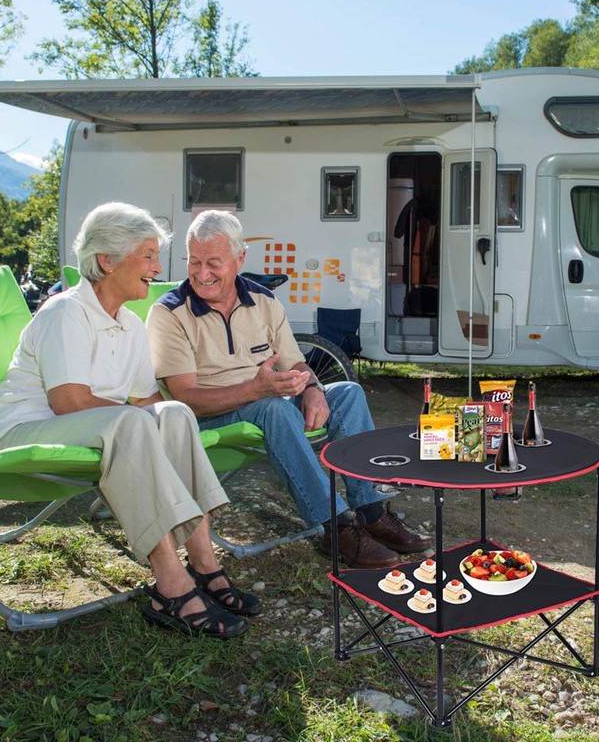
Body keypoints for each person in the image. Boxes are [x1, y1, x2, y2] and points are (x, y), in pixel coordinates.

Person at [0, 202, 259, 640]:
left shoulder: (130, 325)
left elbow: (147, 401)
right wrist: (137, 421)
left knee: (174, 413)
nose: (157, 268)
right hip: (16, 433)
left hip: (81, 432)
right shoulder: (65, 312)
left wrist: (167, 420)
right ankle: (171, 587)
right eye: (147, 255)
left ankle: (205, 565)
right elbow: (70, 401)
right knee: (132, 422)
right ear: (107, 260)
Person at [146, 210, 431, 568]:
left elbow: (296, 363)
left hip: (264, 399)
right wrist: (256, 390)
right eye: (194, 262)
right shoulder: (169, 313)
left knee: (347, 394)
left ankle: (372, 512)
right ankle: (336, 527)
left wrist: (312, 388)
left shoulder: (263, 300)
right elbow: (185, 399)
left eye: (213, 263)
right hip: (209, 418)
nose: (202, 274)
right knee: (275, 407)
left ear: (240, 258)